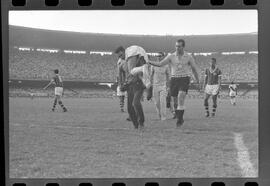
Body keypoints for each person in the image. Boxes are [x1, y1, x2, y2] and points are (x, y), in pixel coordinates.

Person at [148, 39, 201, 128]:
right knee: (175, 102)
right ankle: (179, 116)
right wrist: (149, 62)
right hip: (174, 79)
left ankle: (179, 120)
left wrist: (197, 80)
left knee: (181, 97)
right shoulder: (171, 56)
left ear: (183, 47)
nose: (177, 48)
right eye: (176, 46)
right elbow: (160, 64)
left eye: (179, 46)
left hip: (184, 78)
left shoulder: (188, 57)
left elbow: (194, 69)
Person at [114, 45, 150, 130]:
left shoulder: (133, 57)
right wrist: (122, 85)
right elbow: (121, 75)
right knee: (130, 109)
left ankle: (141, 122)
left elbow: (140, 69)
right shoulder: (121, 63)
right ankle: (136, 126)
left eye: (120, 55)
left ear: (124, 51)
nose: (120, 57)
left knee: (136, 103)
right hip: (130, 86)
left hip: (138, 83)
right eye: (118, 56)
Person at [150, 52, 170, 120]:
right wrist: (150, 84)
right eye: (157, 56)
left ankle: (163, 117)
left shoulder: (166, 65)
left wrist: (168, 85)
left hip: (163, 86)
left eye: (160, 56)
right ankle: (159, 114)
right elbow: (151, 75)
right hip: (155, 86)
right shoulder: (153, 65)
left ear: (163, 57)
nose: (158, 57)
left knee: (163, 102)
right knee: (157, 103)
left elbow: (168, 75)